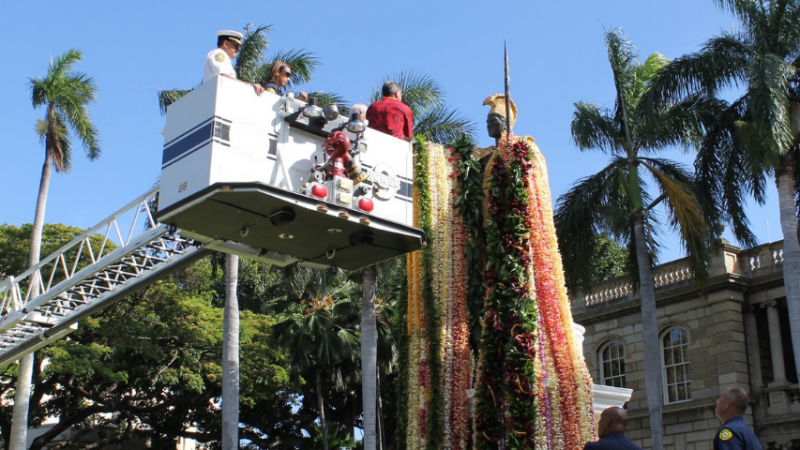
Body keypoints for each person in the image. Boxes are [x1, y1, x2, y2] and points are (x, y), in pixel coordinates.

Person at [203, 30, 264, 95]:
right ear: (226, 44)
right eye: (236, 45)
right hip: (214, 95)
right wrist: (249, 85)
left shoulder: (225, 58)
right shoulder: (219, 53)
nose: (238, 49)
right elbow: (224, 76)